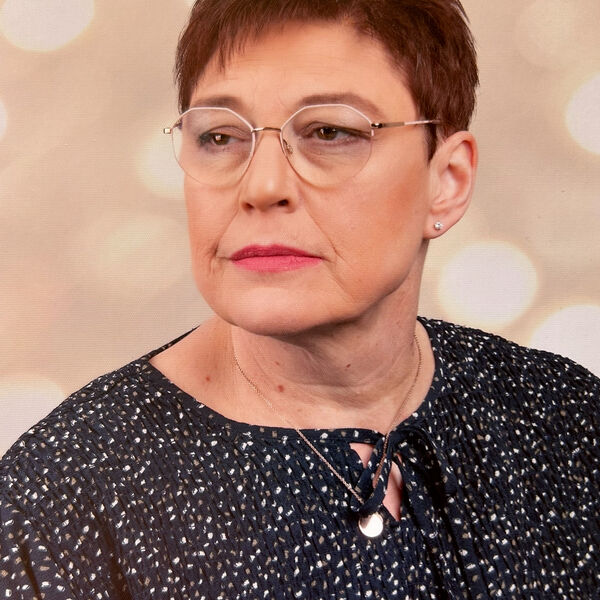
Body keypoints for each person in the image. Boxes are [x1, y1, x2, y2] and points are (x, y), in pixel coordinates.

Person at [1, 0, 598, 598]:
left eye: (330, 132)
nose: (261, 186)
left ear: (447, 181)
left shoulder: (567, 420)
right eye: (219, 136)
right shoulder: (58, 498)